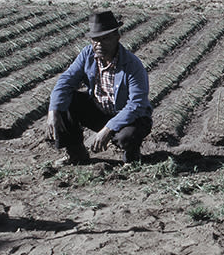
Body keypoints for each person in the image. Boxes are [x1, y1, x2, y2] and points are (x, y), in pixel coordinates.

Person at [46, 9, 153, 165]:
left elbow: (136, 104)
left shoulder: (132, 64)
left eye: (105, 39)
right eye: (95, 39)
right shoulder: (87, 55)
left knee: (127, 136)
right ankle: (76, 154)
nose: (99, 44)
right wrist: (52, 111)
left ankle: (132, 158)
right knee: (67, 99)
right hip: (101, 110)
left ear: (117, 37)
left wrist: (108, 129)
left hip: (130, 117)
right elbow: (65, 81)